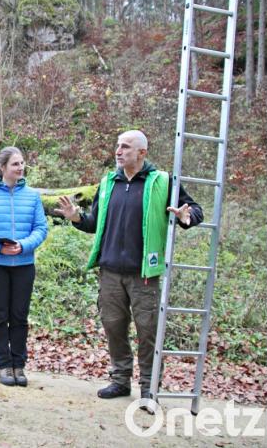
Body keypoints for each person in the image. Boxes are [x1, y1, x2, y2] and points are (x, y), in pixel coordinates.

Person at [54, 129, 203, 403]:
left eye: (125, 146)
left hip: (143, 274)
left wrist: (186, 216)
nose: (118, 151)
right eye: (117, 146)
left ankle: (149, 388)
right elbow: (95, 224)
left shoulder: (162, 182)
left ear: (142, 153)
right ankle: (120, 380)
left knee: (147, 331)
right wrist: (76, 217)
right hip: (110, 273)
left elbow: (195, 211)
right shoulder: (108, 183)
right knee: (113, 327)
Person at [0, 146, 48, 387]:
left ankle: (19, 365)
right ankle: (4, 365)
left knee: (19, 316)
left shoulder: (33, 196)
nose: (20, 167)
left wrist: (24, 246)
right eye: (15, 164)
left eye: (22, 163)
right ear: (2, 167)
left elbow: (41, 228)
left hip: (24, 264)